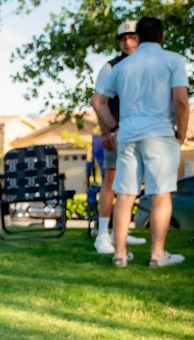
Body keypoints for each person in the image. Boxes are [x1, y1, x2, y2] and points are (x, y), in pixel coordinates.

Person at [92, 16, 189, 268]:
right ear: (162, 35)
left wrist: (113, 128)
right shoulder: (173, 60)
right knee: (160, 194)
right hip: (159, 134)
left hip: (128, 136)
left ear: (139, 37)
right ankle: (157, 255)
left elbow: (97, 101)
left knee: (125, 194)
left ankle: (119, 255)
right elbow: (180, 100)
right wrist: (182, 131)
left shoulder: (121, 67)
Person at [91, 21, 146, 255]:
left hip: (141, 134)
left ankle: (119, 233)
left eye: (132, 36)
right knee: (111, 182)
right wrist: (106, 131)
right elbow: (98, 101)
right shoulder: (110, 67)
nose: (127, 41)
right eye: (123, 38)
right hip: (116, 134)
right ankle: (103, 234)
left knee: (130, 184)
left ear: (140, 39)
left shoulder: (147, 66)